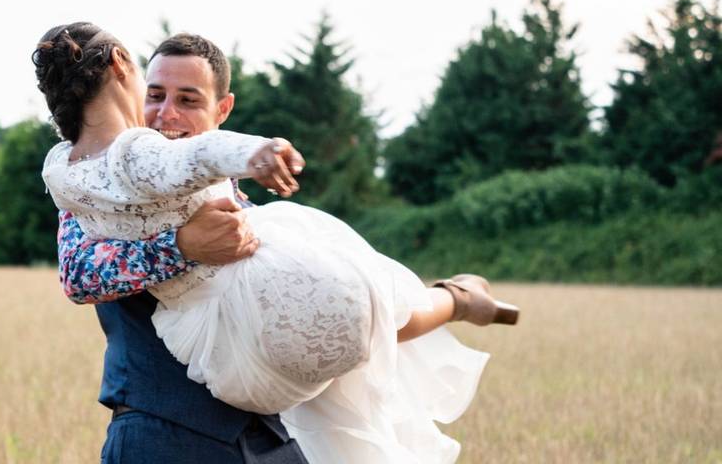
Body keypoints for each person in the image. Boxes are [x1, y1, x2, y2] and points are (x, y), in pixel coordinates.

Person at [37, 24, 518, 464]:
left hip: (273, 440)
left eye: (188, 100)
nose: (166, 113)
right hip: (164, 435)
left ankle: (456, 298)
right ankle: (457, 298)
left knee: (367, 297)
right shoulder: (101, 182)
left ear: (222, 110)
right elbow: (80, 276)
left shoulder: (242, 206)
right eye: (156, 94)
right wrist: (183, 245)